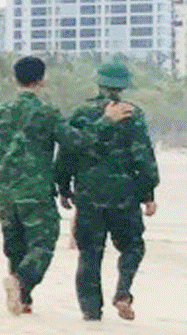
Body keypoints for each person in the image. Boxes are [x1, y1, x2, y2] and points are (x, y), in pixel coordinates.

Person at [58, 58, 159, 321]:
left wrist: (63, 187)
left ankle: (91, 312)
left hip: (89, 196)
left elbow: (69, 150)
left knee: (89, 254)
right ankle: (123, 293)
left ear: (98, 82)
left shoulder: (80, 113)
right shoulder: (132, 114)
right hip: (125, 197)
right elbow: (143, 157)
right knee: (133, 247)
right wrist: (148, 194)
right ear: (124, 86)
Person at [0, 55, 64, 313]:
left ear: (15, 79)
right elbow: (74, 141)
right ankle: (21, 283)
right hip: (36, 190)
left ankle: (23, 300)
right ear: (41, 80)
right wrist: (105, 121)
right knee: (43, 242)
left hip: (5, 191)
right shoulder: (48, 113)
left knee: (15, 244)